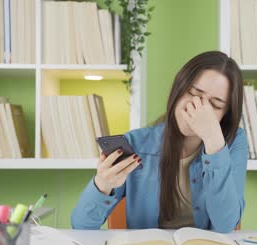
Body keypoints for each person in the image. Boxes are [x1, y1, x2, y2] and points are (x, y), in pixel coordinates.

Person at [71, 51, 247, 233]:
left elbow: (226, 224)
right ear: (178, 89)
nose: (199, 109)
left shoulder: (234, 142)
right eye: (194, 93)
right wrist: (102, 184)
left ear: (225, 115)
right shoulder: (135, 143)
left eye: (216, 105)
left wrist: (213, 142)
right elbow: (82, 226)